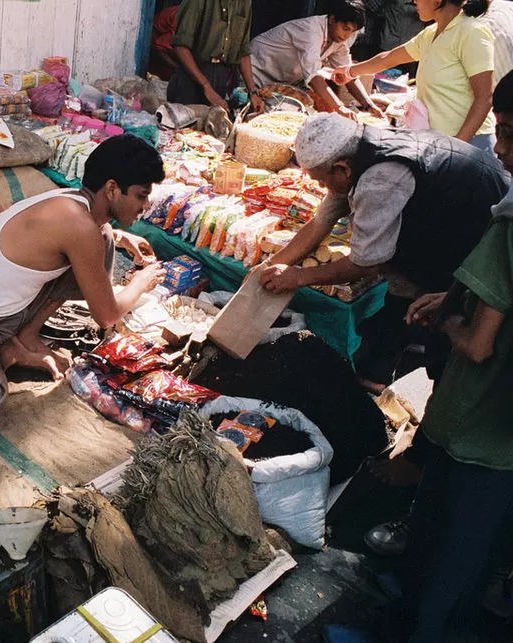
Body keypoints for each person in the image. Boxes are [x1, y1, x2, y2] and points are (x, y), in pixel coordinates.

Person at [377, 68, 513, 642]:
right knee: (472, 557)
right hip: (499, 435)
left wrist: (449, 317)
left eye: (507, 132)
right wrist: (456, 297)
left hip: (483, 429)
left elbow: (480, 344)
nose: (500, 149)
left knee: (446, 560)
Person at [0, 135, 167, 426]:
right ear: (112, 189)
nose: (144, 206)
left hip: (13, 309)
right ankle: (7, 352)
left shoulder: (78, 206)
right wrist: (141, 282)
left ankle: (23, 339)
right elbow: (106, 316)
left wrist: (119, 237)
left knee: (103, 235)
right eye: (141, 196)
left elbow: (83, 237)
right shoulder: (78, 224)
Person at [259, 112, 509, 389]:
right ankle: (376, 376)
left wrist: (298, 277)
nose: (321, 187)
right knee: (397, 305)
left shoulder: (380, 177)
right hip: (443, 217)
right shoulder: (357, 154)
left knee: (446, 320)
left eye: (321, 180)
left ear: (341, 168)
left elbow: (365, 263)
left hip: (470, 228)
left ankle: (438, 389)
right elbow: (320, 223)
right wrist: (269, 267)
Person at [333, 0, 497, 150]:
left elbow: (485, 97)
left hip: (470, 144)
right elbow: (387, 59)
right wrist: (348, 72)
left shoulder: (471, 32)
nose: (414, 1)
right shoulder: (430, 34)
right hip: (440, 143)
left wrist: (457, 146)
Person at [250, 0, 383, 118]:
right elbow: (314, 76)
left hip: (279, 84)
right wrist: (339, 107)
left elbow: (348, 74)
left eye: (352, 32)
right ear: (332, 19)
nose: (347, 35)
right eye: (345, 28)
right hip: (254, 73)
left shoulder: (338, 40)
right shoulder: (311, 30)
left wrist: (368, 104)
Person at [167, 0, 265, 112]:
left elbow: (243, 51)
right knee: (183, 125)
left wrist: (252, 92)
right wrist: (206, 86)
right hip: (191, 75)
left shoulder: (245, 3)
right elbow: (180, 47)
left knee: (213, 123)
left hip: (220, 76)